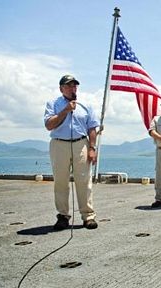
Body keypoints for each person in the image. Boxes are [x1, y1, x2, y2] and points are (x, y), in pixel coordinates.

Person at [44, 75, 99, 230]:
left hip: (81, 143)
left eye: (74, 86)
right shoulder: (53, 104)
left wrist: (92, 148)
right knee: (61, 181)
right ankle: (63, 216)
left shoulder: (86, 104)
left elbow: (92, 128)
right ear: (61, 88)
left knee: (84, 180)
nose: (72, 88)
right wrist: (66, 110)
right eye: (69, 86)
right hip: (59, 144)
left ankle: (88, 216)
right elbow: (49, 125)